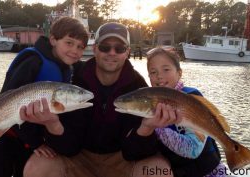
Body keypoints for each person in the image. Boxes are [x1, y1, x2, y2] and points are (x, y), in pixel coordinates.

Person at [21, 22, 182, 177]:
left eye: (119, 48)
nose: (112, 53)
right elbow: (68, 147)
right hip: (78, 157)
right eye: (105, 47)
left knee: (160, 171)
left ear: (127, 52)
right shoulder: (72, 79)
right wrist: (52, 123)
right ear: (95, 48)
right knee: (37, 168)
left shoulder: (139, 87)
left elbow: (135, 152)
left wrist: (147, 127)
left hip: (122, 159)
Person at [0, 16, 89, 177]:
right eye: (69, 43)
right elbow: (10, 101)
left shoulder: (66, 68)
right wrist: (35, 142)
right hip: (4, 137)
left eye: (80, 47)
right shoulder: (32, 62)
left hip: (28, 141)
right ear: (53, 40)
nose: (75, 51)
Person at [146, 47, 227, 177]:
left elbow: (193, 150)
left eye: (166, 69)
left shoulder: (191, 97)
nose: (159, 76)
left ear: (179, 73)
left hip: (210, 171)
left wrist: (156, 127)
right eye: (153, 72)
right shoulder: (152, 105)